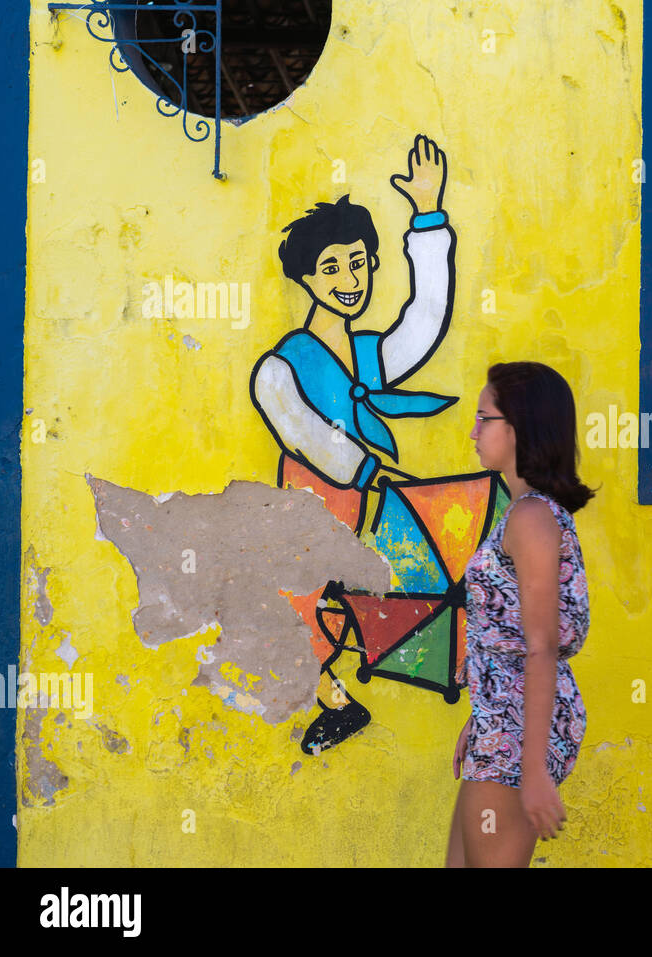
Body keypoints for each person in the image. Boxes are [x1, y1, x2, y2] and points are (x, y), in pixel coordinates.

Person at [250, 134, 458, 754]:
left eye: (359, 262)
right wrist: (366, 470)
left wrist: (427, 217)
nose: (350, 279)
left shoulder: (372, 353)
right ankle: (337, 702)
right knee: (299, 606)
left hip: (365, 509)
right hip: (313, 512)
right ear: (308, 279)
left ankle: (343, 695)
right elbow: (304, 434)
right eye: (332, 268)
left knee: (359, 599)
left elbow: (425, 319)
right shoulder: (280, 366)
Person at [446, 362, 596, 867]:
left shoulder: (532, 518)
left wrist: (532, 770)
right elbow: (507, 636)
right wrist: (481, 712)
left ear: (521, 428)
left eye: (484, 417)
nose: (474, 430)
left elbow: (541, 644)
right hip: (501, 723)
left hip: (516, 737)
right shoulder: (525, 513)